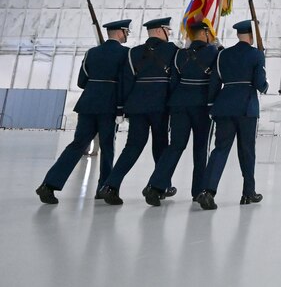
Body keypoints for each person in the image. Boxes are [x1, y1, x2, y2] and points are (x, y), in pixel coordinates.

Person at [37, 19, 131, 205]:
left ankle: (49, 184)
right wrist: (122, 108)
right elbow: (125, 83)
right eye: (126, 31)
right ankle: (104, 188)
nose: (127, 35)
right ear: (120, 32)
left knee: (77, 145)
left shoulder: (91, 53)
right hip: (109, 106)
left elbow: (82, 81)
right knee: (107, 147)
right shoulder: (126, 54)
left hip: (87, 104)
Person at [101, 17, 178, 205]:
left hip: (137, 106)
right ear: (161, 31)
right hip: (160, 106)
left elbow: (126, 82)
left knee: (132, 147)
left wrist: (121, 108)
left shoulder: (133, 52)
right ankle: (160, 186)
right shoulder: (173, 51)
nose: (169, 34)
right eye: (168, 30)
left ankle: (110, 185)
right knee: (161, 145)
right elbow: (175, 80)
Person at [196, 19, 269, 210]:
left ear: (238, 34)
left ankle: (207, 191)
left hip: (224, 106)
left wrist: (212, 104)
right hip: (246, 108)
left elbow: (215, 81)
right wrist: (265, 80)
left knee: (219, 150)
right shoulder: (256, 54)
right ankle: (248, 192)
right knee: (247, 151)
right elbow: (260, 84)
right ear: (252, 36)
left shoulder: (223, 55)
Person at [144, 20, 219, 205]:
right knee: (201, 149)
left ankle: (155, 186)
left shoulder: (179, 55)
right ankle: (199, 191)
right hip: (202, 106)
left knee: (175, 146)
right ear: (204, 33)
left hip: (178, 104)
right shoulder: (214, 53)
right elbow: (215, 81)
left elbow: (173, 82)